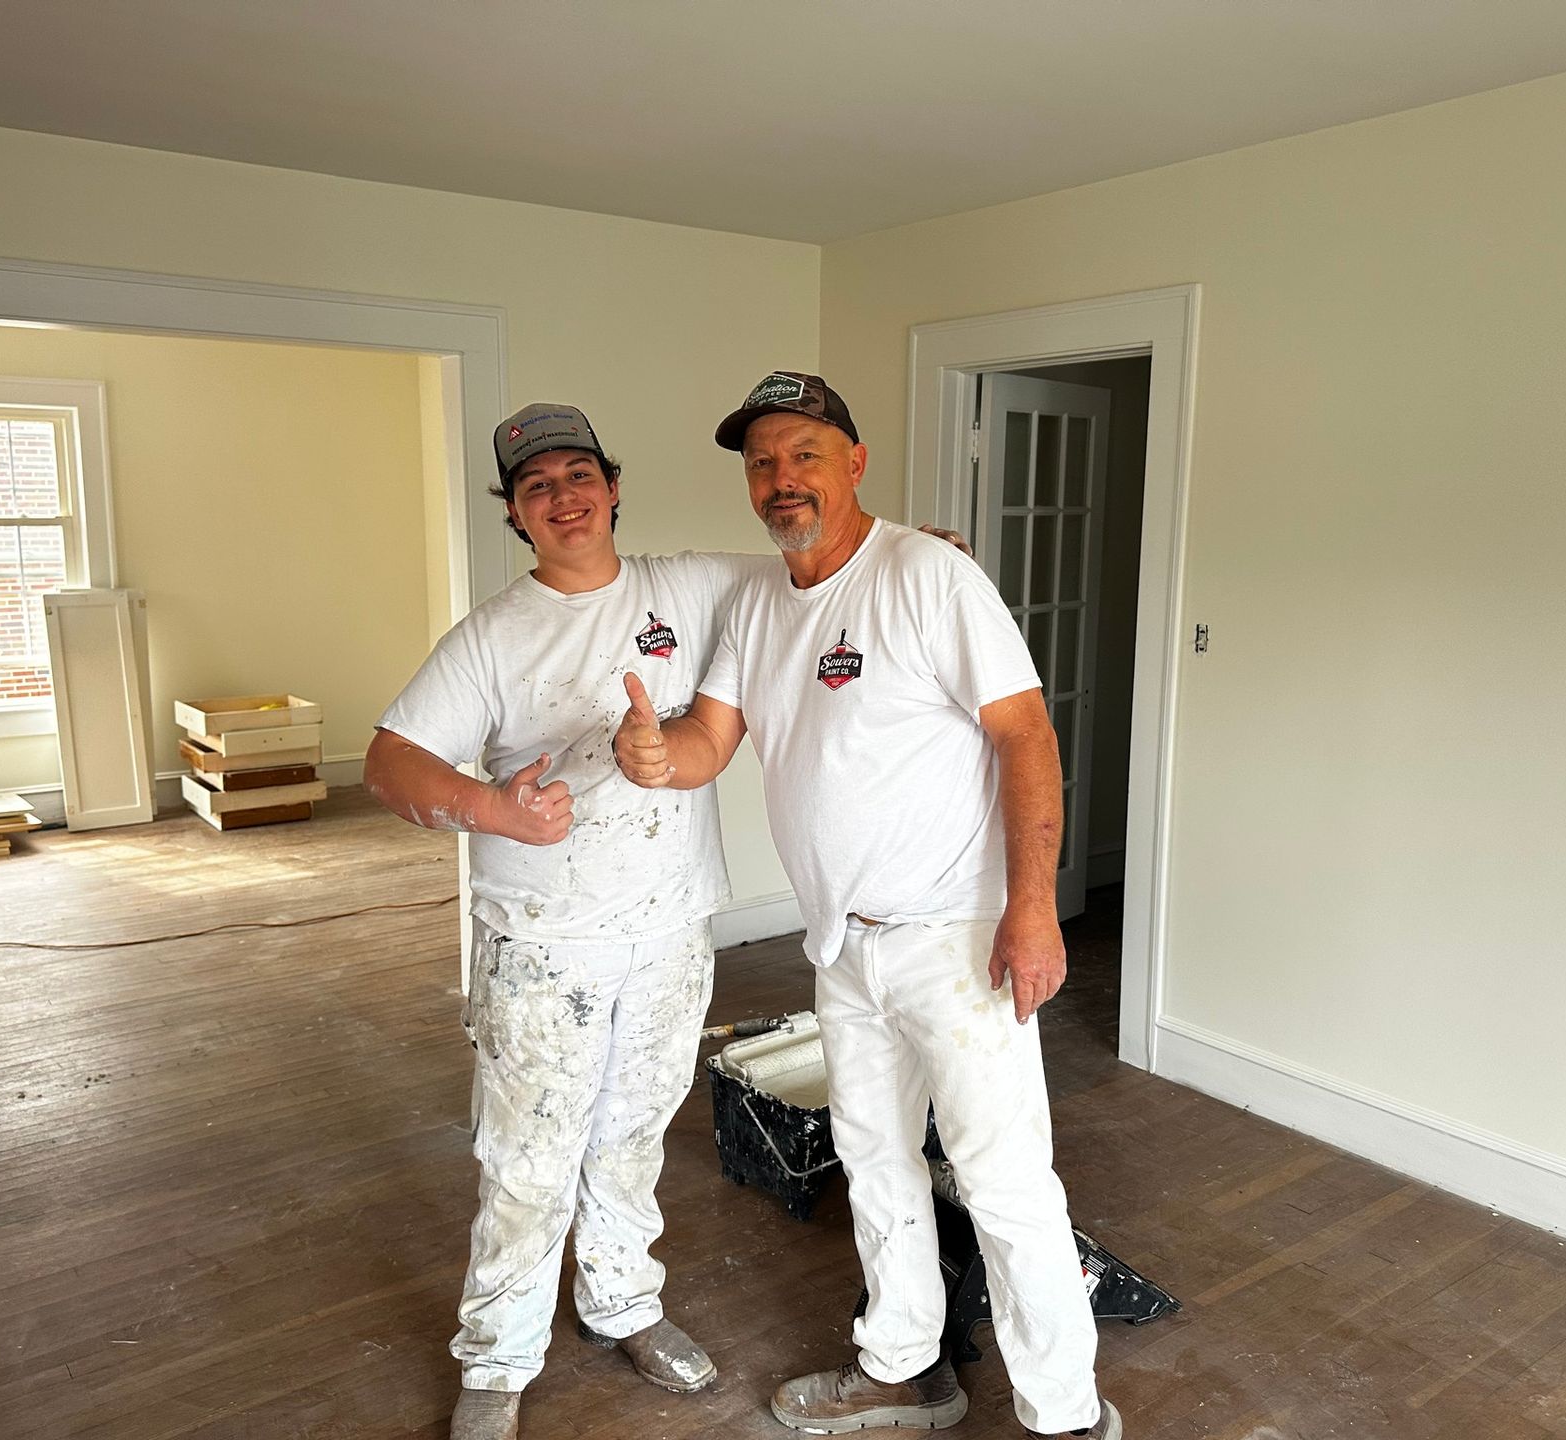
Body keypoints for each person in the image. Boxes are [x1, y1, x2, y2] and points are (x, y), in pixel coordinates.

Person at [367, 399, 972, 1440]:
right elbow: (390, 763)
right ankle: (498, 1359)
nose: (562, 497)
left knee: (632, 1135)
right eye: (536, 486)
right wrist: (491, 808)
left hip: (669, 929)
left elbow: (818, 560)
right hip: (544, 944)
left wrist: (920, 559)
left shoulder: (690, 585)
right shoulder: (492, 638)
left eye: (578, 476)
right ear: (515, 513)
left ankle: (622, 1304)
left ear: (612, 488)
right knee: (528, 1161)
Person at [614, 372, 1120, 1438]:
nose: (781, 478)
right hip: (844, 945)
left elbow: (1026, 733)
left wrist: (1033, 909)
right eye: (762, 462)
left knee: (1002, 1179)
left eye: (804, 453)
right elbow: (710, 739)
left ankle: (1066, 1415)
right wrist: (656, 756)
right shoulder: (761, 604)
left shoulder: (926, 574)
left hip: (959, 936)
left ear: (854, 462)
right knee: (876, 1164)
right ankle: (903, 1369)